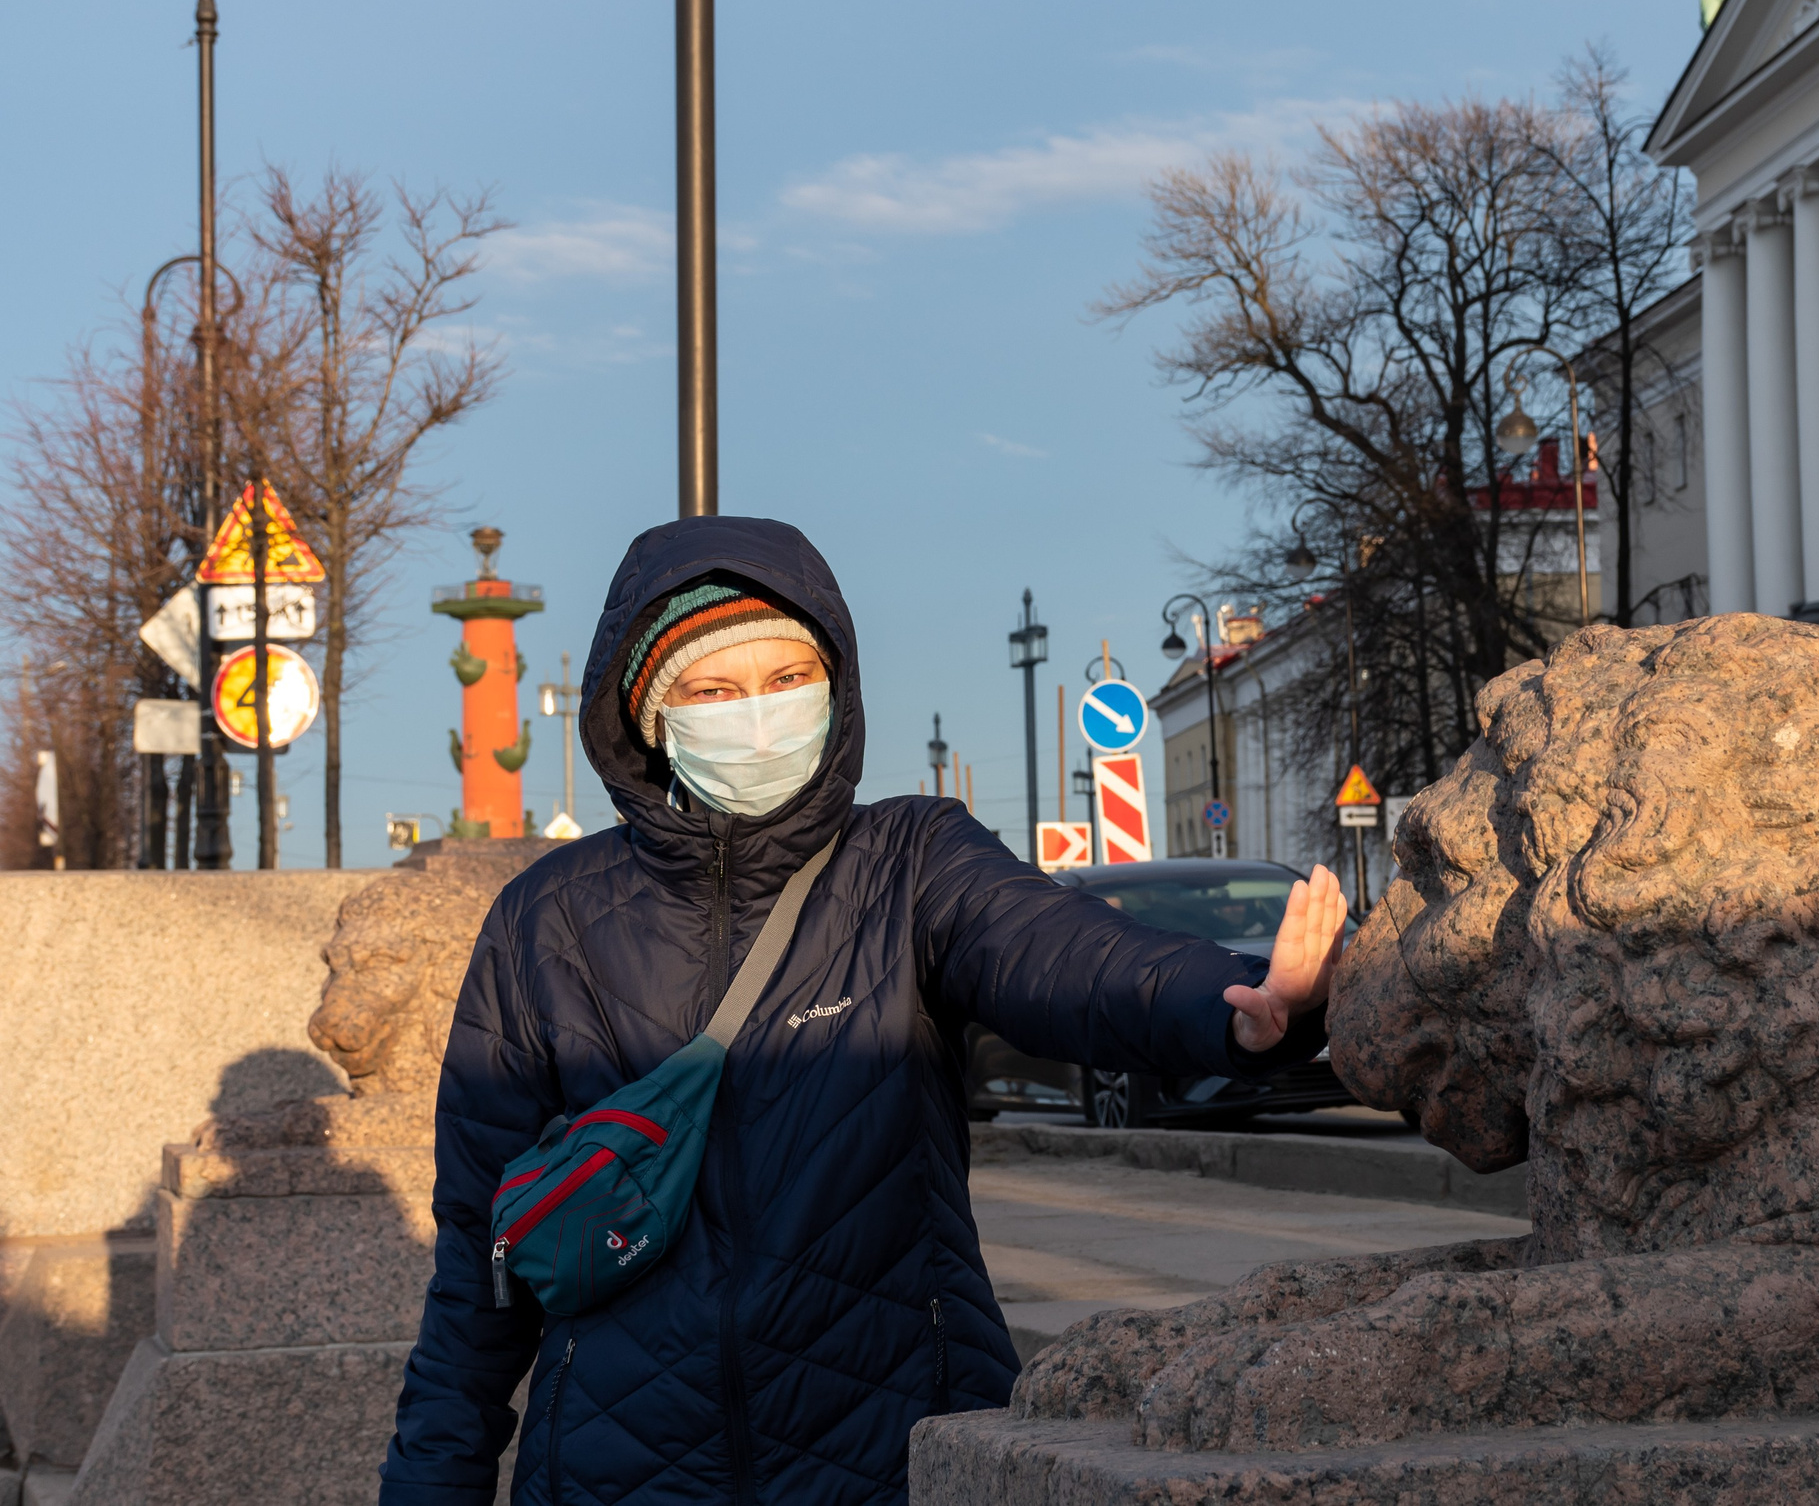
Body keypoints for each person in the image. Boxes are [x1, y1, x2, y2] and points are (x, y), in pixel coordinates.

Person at [379, 517, 1343, 1506]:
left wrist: (1231, 1004)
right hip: (615, 1470)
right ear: (651, 716)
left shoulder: (910, 860)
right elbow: (479, 1257)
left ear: (833, 688)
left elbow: (1063, 951)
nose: (758, 714)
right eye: (713, 690)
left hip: (894, 1447)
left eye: (787, 676)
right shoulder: (548, 919)